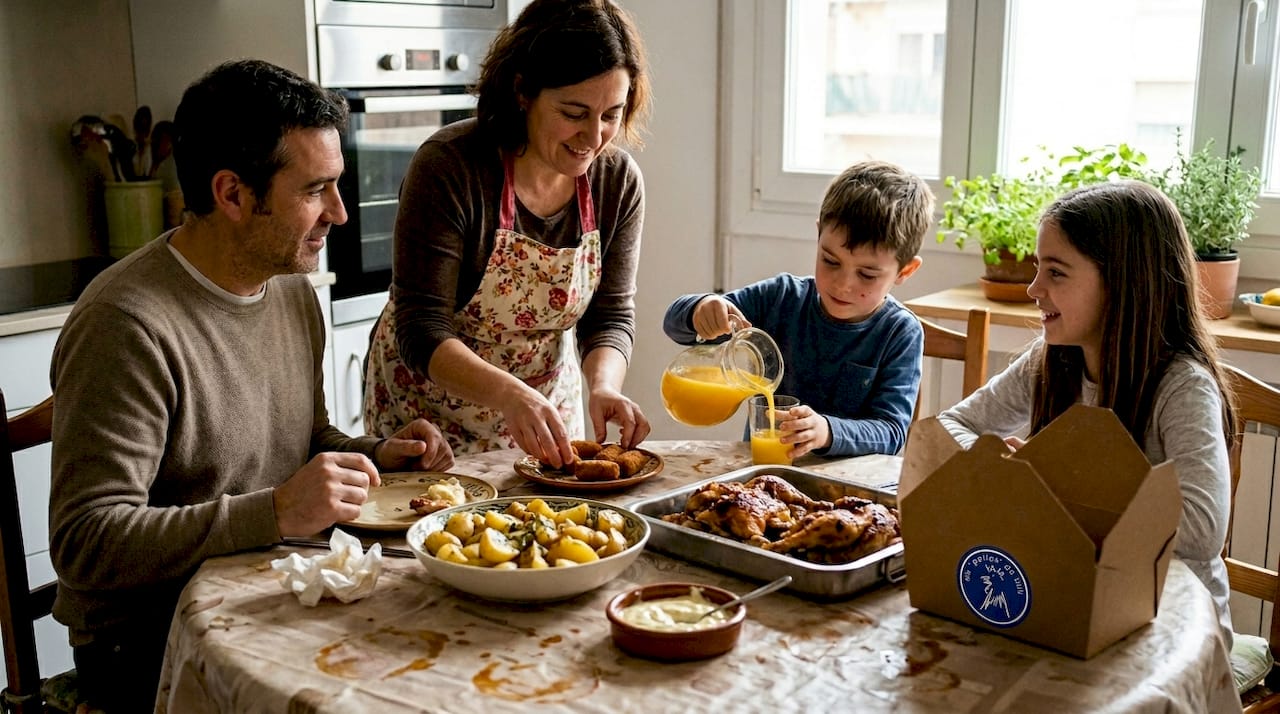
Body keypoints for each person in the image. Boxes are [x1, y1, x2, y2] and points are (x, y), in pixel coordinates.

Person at [48, 59, 454, 712]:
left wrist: (375, 453)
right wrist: (276, 513)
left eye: (339, 186)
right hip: (151, 646)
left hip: (276, 586)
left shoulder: (291, 289)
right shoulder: (125, 325)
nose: (341, 215)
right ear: (233, 194)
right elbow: (85, 541)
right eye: (315, 189)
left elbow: (300, 437)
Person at [935, 180, 1236, 648]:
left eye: (1056, 273)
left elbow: (1202, 529)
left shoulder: (1182, 387)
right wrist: (1003, 469)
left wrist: (1050, 480)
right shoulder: (1050, 359)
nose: (1034, 289)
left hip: (1176, 625)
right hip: (1079, 593)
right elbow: (952, 426)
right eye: (1038, 269)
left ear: (1123, 282)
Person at [363, 0, 653, 468]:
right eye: (574, 112)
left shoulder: (616, 181)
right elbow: (421, 328)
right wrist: (510, 395)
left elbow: (610, 314)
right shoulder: (449, 167)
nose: (594, 137)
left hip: (544, 414)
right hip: (427, 417)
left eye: (611, 114)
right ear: (523, 91)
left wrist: (603, 385)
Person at [663, 160, 932, 458]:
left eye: (867, 275)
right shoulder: (781, 298)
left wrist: (827, 431)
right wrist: (700, 309)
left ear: (905, 271)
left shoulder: (900, 332)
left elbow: (891, 432)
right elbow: (674, 325)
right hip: (762, 483)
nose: (843, 284)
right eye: (830, 261)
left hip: (851, 493)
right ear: (818, 236)